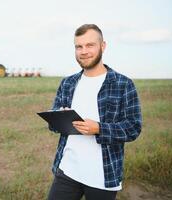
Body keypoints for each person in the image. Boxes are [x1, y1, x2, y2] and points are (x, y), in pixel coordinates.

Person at [47, 24, 142, 200]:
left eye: (90, 45)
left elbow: (133, 128)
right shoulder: (67, 83)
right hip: (67, 170)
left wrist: (99, 128)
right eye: (79, 46)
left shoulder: (123, 84)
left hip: (103, 176)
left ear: (103, 46)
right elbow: (53, 125)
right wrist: (59, 117)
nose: (84, 51)